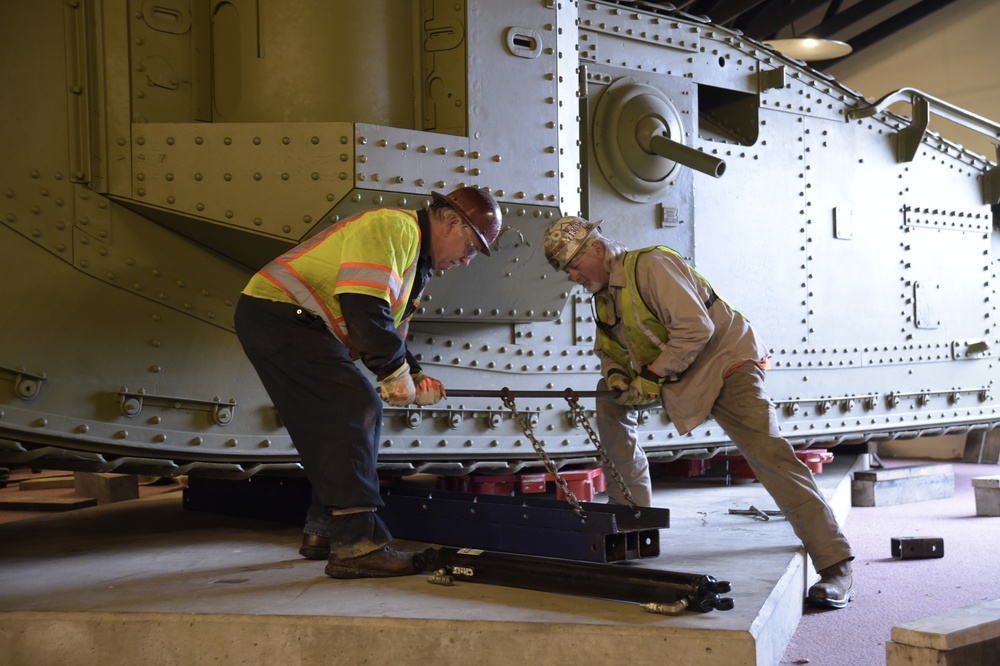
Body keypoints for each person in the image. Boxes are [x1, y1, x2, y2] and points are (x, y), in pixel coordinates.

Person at [542, 215, 855, 609]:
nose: (572, 276)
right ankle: (633, 526)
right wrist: (621, 376)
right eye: (567, 270)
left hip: (726, 364)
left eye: (573, 265)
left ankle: (836, 565)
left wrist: (653, 376)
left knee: (771, 456)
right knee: (609, 398)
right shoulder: (603, 299)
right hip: (680, 372)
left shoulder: (651, 265)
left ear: (596, 249)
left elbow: (695, 328)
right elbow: (610, 351)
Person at [234, 187, 501, 578]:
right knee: (353, 406)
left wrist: (415, 373)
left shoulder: (414, 261)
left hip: (286, 320)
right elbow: (364, 305)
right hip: (280, 315)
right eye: (471, 247)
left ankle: (325, 529)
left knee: (339, 417)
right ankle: (358, 546)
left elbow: (385, 328)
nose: (465, 260)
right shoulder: (393, 228)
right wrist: (394, 375)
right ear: (451, 222)